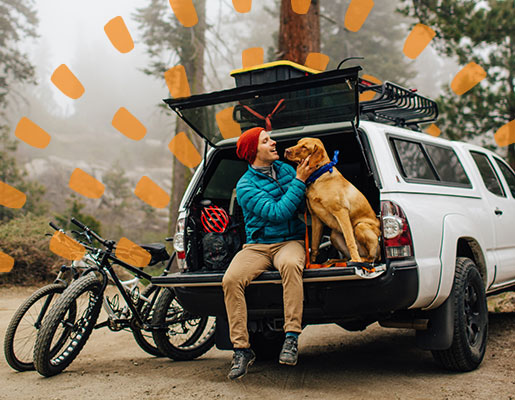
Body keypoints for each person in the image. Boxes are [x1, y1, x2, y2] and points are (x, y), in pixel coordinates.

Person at [222, 126, 317, 380]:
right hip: (258, 246)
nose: (274, 143)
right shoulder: (245, 186)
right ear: (255, 151)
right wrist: (298, 182)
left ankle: (291, 337)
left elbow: (303, 202)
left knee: (290, 265)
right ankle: (242, 349)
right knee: (231, 280)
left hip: (290, 241)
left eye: (271, 138)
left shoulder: (286, 170)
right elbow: (277, 212)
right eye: (266, 141)